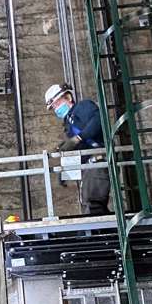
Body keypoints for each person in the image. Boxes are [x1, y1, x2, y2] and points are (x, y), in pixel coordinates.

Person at [45, 83, 111, 215]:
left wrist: (78, 138)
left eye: (58, 103)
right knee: (88, 204)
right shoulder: (69, 126)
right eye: (54, 107)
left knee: (94, 204)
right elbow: (78, 150)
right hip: (90, 165)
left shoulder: (83, 107)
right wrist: (65, 170)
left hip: (99, 159)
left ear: (69, 98)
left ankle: (105, 234)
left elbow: (98, 120)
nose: (56, 108)